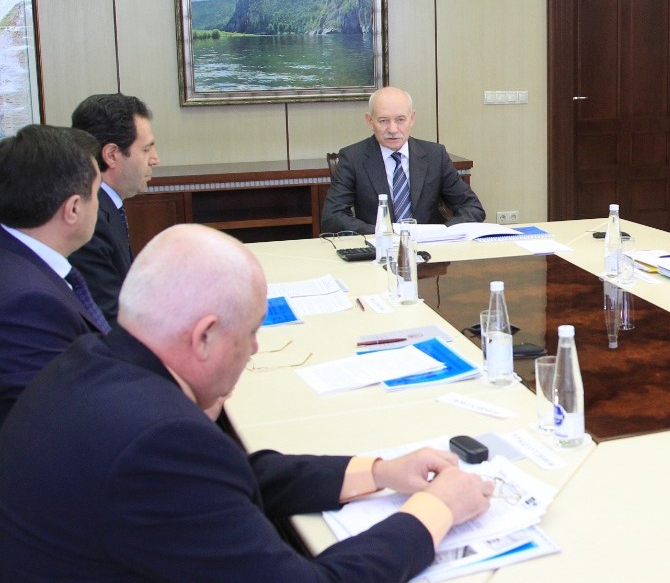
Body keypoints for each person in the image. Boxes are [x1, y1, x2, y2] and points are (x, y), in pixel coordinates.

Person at [0, 224, 493, 580]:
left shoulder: (91, 363)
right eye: (251, 332)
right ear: (204, 336)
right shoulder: (157, 440)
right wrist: (434, 511)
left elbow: (231, 476)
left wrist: (378, 472)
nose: (255, 348)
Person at [0, 124, 109, 427]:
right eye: (97, 194)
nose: (99, 205)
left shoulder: (19, 259)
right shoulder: (28, 303)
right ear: (73, 208)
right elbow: (54, 420)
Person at [323, 87, 483, 233]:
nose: (393, 129)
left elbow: (472, 207)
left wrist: (440, 233)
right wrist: (384, 233)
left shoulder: (435, 155)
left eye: (400, 120)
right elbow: (333, 217)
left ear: (412, 118)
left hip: (429, 247)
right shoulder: (353, 158)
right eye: (383, 121)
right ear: (370, 121)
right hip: (377, 247)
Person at [69, 93, 160, 327]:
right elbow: (111, 316)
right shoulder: (90, 220)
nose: (155, 159)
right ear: (111, 155)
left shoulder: (107, 205)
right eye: (146, 149)